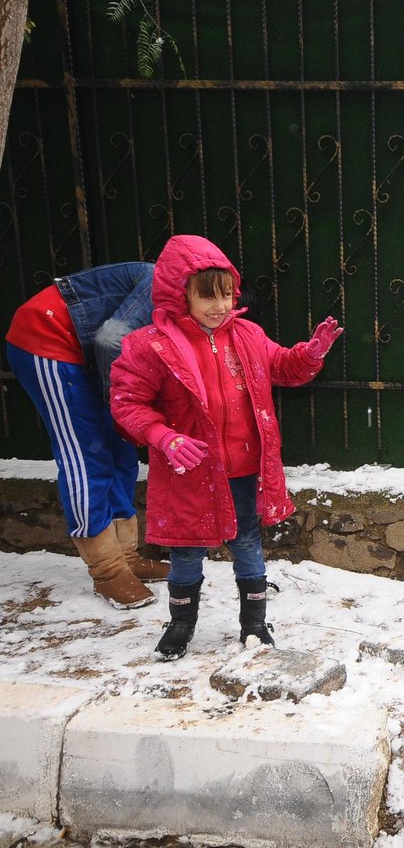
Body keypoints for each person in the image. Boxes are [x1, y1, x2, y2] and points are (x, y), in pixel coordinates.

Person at [109, 234, 343, 661]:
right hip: (190, 471)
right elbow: (128, 403)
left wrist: (311, 353)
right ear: (181, 297)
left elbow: (283, 367)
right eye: (207, 297)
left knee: (248, 543)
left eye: (228, 295)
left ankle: (254, 625)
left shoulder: (248, 335)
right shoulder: (150, 347)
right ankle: (181, 625)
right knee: (186, 550)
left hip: (242, 470)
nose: (220, 307)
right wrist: (165, 436)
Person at [5, 262, 170, 609]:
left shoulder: (188, 308)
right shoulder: (163, 283)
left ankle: (126, 555)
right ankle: (108, 570)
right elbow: (112, 340)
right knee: (85, 454)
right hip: (47, 340)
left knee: (122, 449)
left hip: (91, 358)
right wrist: (119, 405)